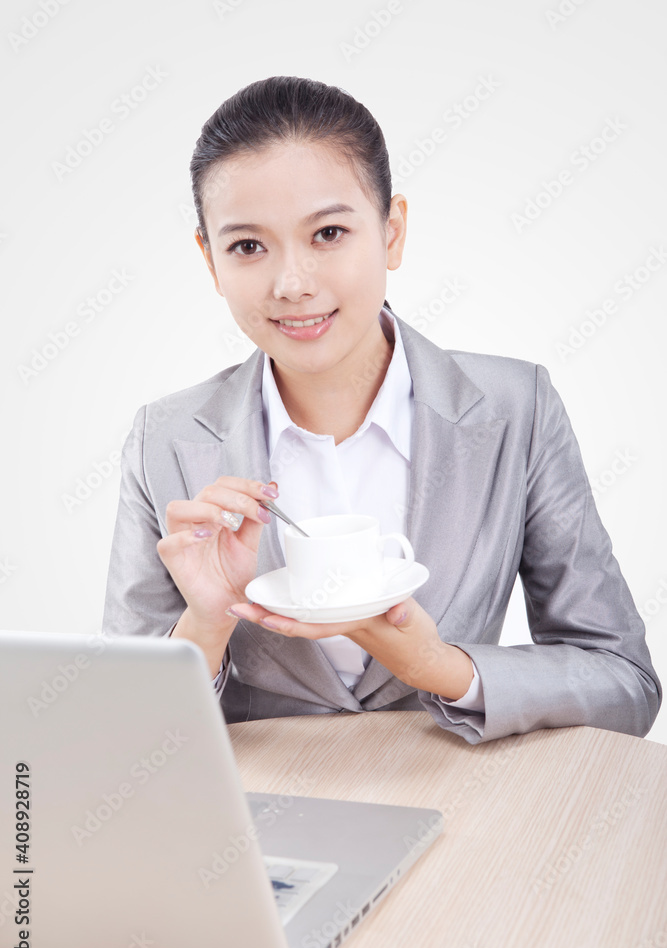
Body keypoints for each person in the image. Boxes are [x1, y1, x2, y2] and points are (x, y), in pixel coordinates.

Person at [102, 75, 661, 744]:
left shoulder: (517, 410)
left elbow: (623, 685)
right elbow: (120, 738)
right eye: (248, 246)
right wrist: (208, 620)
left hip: (472, 819)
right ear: (210, 260)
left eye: (329, 232)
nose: (292, 284)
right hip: (255, 832)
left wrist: (441, 668)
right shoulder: (164, 440)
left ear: (391, 232)